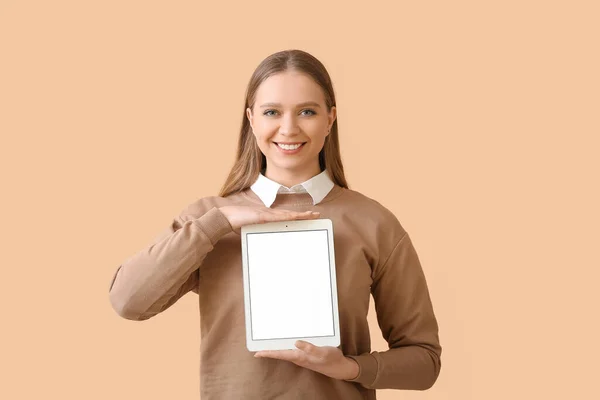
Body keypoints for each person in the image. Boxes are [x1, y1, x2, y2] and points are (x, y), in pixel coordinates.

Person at [108, 49, 442, 399]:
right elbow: (128, 301)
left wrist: (350, 367)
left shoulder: (374, 222)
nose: (289, 128)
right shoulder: (208, 220)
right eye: (272, 112)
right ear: (251, 120)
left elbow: (424, 361)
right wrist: (219, 221)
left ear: (330, 119)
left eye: (307, 112)